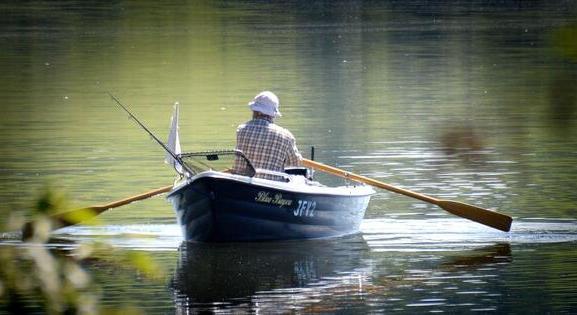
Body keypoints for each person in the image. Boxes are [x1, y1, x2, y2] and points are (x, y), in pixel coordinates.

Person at [232, 91, 302, 181]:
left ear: (254, 111)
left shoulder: (241, 130)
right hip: (271, 187)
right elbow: (295, 164)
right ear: (272, 114)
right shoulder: (286, 136)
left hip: (241, 184)